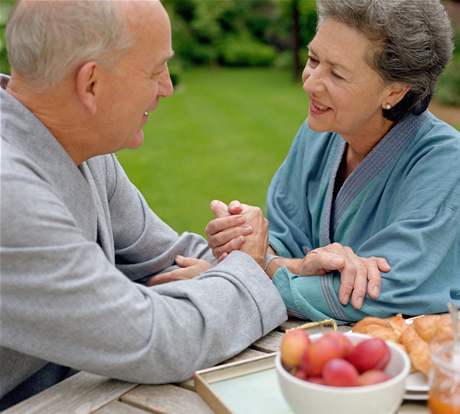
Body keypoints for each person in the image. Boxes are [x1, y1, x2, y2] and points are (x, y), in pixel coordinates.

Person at [0, 0, 287, 408]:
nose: (168, 88)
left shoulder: (82, 148)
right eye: (155, 70)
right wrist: (247, 270)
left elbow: (170, 261)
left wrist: (278, 267)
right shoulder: (10, 197)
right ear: (92, 84)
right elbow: (155, 340)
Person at [205, 0, 460, 322]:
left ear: (394, 92)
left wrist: (232, 283)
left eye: (337, 74)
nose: (310, 83)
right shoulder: (320, 133)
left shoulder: (446, 165)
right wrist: (249, 240)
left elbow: (376, 293)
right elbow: (283, 241)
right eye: (313, 59)